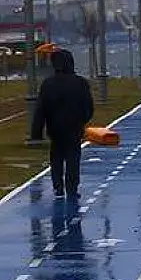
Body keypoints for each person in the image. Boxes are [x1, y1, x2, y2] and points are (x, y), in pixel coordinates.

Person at [31, 49, 94, 200]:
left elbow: (41, 109)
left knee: (56, 158)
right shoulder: (80, 83)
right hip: (74, 128)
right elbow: (89, 107)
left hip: (55, 128)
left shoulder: (48, 84)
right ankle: (72, 187)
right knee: (73, 158)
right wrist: (82, 120)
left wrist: (36, 133)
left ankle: (58, 187)